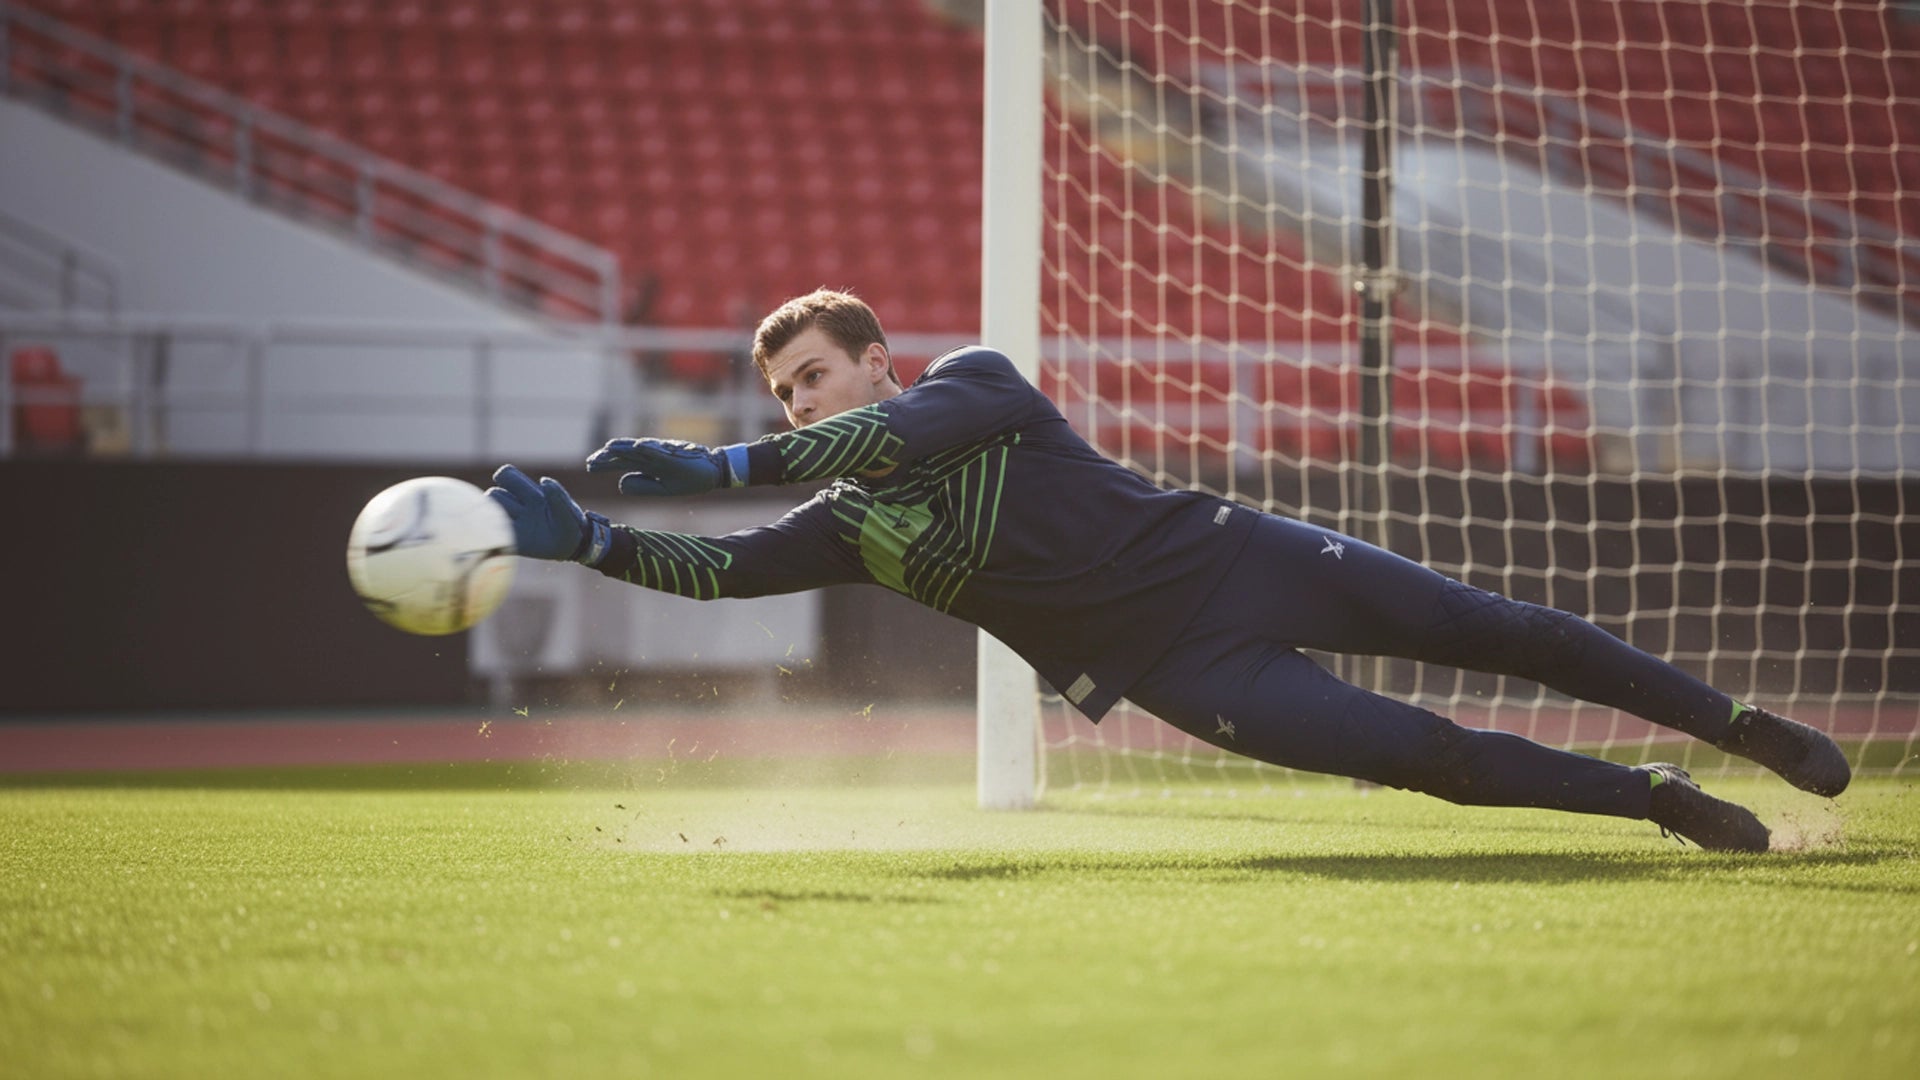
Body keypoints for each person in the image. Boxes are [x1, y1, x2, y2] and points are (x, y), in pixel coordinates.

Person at [487, 289, 1851, 852]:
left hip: (1242, 559)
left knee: (1513, 629)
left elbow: (861, 449)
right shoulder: (853, 528)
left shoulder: (970, 385)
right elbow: (726, 577)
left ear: (874, 361)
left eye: (811, 381)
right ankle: (1660, 800)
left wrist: (719, 467)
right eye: (780, 397)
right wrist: (596, 542)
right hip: (1186, 672)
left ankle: (1747, 727)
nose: (797, 409)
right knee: (1428, 754)